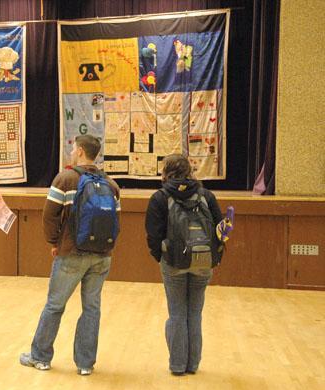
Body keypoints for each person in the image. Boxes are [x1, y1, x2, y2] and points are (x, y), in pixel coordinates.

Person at [19, 135, 121, 376]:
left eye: (74, 148)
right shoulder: (112, 184)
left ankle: (40, 357)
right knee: (92, 309)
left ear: (81, 151)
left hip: (71, 253)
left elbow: (49, 216)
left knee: (55, 305)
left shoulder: (65, 179)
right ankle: (85, 364)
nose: (72, 151)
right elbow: (117, 222)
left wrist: (54, 241)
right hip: (102, 255)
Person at [145, 154, 224, 376]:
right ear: (190, 171)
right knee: (195, 313)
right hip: (203, 261)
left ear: (165, 172)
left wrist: (160, 256)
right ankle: (193, 365)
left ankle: (178, 365)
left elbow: (152, 235)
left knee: (177, 313)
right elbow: (220, 229)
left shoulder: (160, 197)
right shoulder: (206, 195)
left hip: (173, 262)